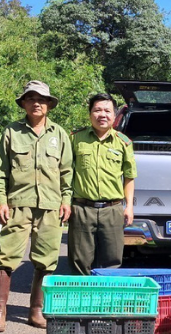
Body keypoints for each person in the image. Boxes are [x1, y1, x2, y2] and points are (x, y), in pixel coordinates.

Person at [0, 80, 73, 332]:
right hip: (18, 205)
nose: (36, 103)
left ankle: (35, 311)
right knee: (6, 258)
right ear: (23, 103)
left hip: (50, 207)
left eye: (42, 99)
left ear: (49, 105)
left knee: (46, 261)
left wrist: (66, 200)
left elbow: (67, 172)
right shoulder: (11, 132)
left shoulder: (59, 134)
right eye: (31, 98)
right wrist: (1, 201)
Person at [68, 93, 137, 275]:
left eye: (107, 111)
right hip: (82, 209)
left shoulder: (123, 143)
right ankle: (82, 302)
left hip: (112, 210)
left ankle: (106, 303)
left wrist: (128, 207)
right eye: (97, 110)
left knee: (112, 261)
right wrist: (65, 204)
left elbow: (129, 177)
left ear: (114, 116)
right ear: (90, 114)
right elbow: (66, 174)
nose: (102, 115)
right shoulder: (76, 139)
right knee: (79, 262)